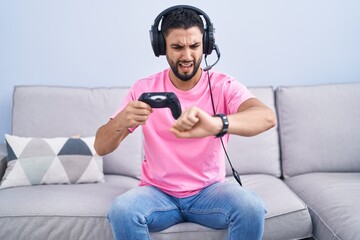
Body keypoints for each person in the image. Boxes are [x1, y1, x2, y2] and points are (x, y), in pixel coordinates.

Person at [94, 5, 276, 240]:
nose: (187, 56)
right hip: (158, 193)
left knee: (251, 206)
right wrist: (120, 121)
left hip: (210, 192)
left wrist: (216, 124)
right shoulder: (144, 88)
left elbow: (266, 117)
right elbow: (100, 147)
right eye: (177, 47)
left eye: (194, 46)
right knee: (122, 210)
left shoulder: (222, 86)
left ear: (206, 45)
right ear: (161, 47)